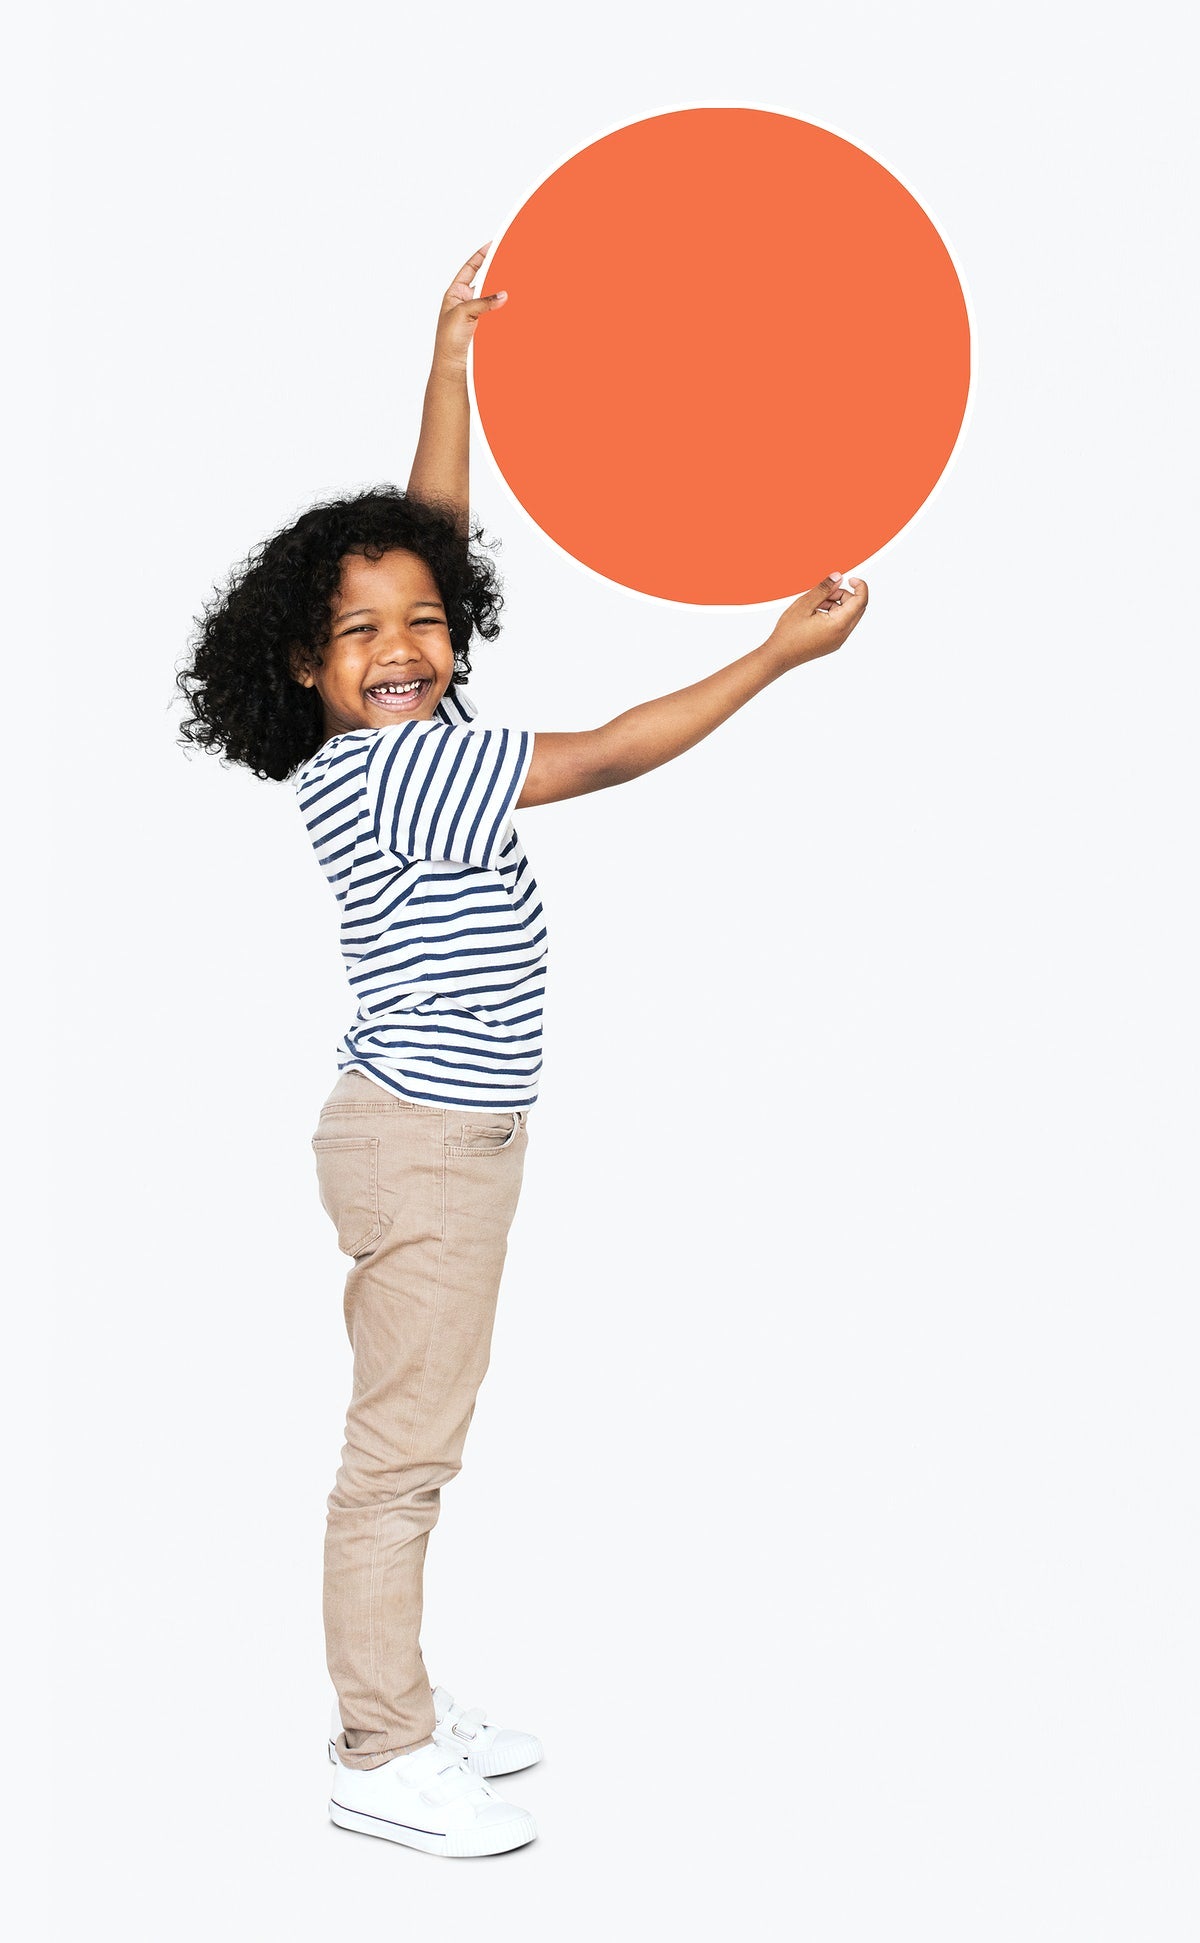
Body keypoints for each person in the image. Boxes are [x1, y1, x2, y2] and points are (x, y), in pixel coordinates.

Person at [175, 246, 869, 1859]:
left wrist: (450, 364)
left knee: (421, 1438)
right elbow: (614, 753)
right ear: (301, 665)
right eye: (361, 634)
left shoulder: (395, 732)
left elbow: (433, 543)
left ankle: (400, 1693)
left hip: (432, 1130)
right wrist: (773, 658)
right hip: (424, 1141)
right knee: (400, 1457)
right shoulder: (409, 774)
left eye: (425, 620)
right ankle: (378, 1746)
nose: (403, 643)